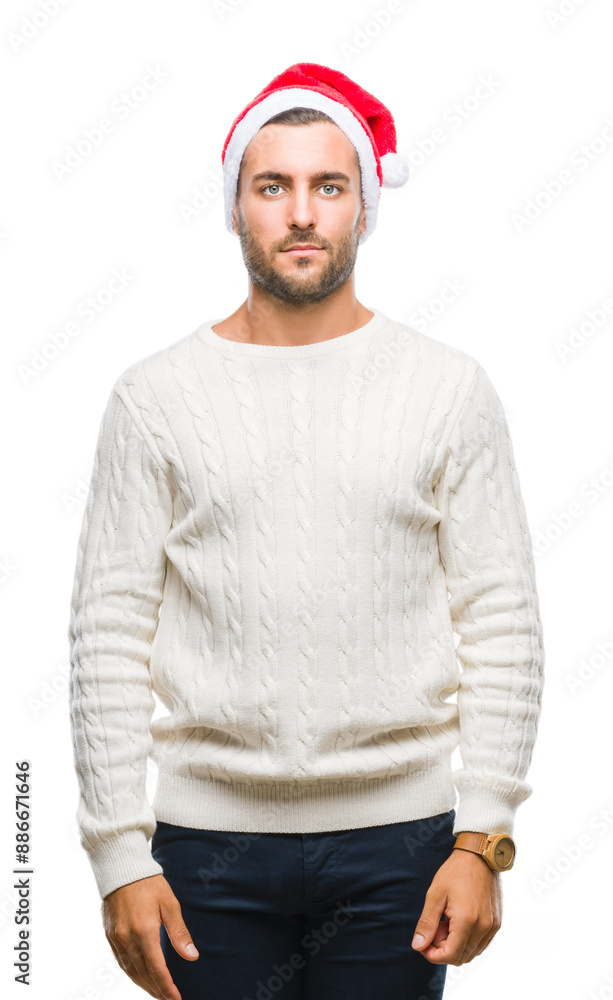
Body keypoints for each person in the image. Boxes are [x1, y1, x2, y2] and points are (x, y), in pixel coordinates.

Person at [68, 62, 544, 1000]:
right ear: (235, 205)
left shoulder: (446, 389)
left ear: (364, 206)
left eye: (328, 186)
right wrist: (120, 853)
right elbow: (107, 631)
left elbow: (501, 620)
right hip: (205, 856)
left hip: (400, 851)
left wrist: (482, 836)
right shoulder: (155, 397)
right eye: (271, 185)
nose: (300, 212)